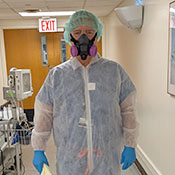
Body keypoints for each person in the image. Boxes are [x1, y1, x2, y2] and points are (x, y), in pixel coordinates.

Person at [32, 9, 139, 175]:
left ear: (96, 36)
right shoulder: (57, 75)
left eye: (89, 32)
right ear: (70, 37)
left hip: (107, 157)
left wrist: (130, 144)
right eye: (77, 32)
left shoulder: (114, 71)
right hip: (70, 158)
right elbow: (44, 114)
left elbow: (129, 110)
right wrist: (39, 148)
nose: (83, 38)